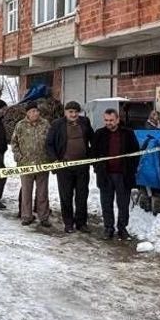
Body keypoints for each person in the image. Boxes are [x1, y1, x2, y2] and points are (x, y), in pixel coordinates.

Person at [91, 109, 141, 240]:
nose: (109, 123)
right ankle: (108, 228)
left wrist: (131, 168)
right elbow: (93, 154)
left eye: (111, 120)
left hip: (123, 176)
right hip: (105, 175)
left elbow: (136, 153)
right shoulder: (99, 134)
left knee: (123, 204)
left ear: (117, 120)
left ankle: (122, 228)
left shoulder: (128, 134)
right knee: (106, 203)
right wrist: (98, 168)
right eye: (106, 120)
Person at [46, 101, 93, 233]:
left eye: (76, 112)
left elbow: (92, 138)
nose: (73, 114)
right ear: (65, 112)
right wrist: (54, 160)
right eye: (70, 112)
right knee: (66, 196)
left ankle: (81, 223)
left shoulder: (85, 122)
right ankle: (68, 223)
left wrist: (92, 155)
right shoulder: (57, 124)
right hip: (64, 167)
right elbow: (49, 144)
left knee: (82, 195)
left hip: (82, 167)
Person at [10, 102, 52, 227]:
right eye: (33, 111)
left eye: (37, 111)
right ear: (27, 113)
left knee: (42, 193)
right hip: (25, 164)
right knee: (26, 192)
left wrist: (50, 156)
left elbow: (51, 141)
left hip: (42, 163)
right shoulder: (20, 125)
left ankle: (43, 217)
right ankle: (26, 216)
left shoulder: (45, 124)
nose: (36, 113)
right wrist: (18, 156)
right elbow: (14, 143)